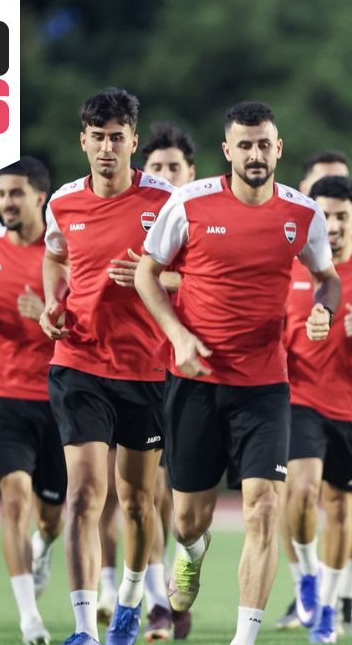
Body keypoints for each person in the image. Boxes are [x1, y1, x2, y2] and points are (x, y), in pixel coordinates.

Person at [136, 100, 340, 645]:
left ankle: (243, 637)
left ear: (279, 149)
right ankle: (190, 552)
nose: (255, 154)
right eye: (244, 145)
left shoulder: (303, 214)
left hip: (265, 386)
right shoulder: (189, 203)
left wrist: (323, 309)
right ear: (227, 150)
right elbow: (147, 274)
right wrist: (177, 335)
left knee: (264, 507)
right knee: (188, 519)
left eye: (264, 144)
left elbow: (328, 277)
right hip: (195, 381)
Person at [41, 87, 176, 645]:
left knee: (139, 503)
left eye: (116, 138)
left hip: (146, 369)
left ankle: (130, 602)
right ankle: (82, 628)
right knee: (83, 494)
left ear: (133, 141)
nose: (106, 148)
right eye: (97, 137)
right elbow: (54, 256)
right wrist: (53, 301)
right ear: (83, 141)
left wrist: (151, 277)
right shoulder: (63, 203)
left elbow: (199, 275)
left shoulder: (167, 202)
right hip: (79, 362)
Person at [0, 157, 64, 644]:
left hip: (59, 399)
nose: (6, 202)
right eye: (2, 194)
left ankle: (43, 545)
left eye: (16, 194)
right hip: (1, 396)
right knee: (15, 497)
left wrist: (45, 312)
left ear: (40, 198)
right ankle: (29, 618)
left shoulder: (63, 254)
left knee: (51, 518)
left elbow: (85, 325)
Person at [284, 175, 352, 642]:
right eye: (324, 215)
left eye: (341, 216)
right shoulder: (290, 266)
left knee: (342, 507)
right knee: (303, 490)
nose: (332, 224)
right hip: (299, 399)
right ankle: (307, 574)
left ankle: (328, 607)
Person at [139, 119, 199, 641]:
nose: (164, 175)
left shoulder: (204, 220)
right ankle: (157, 601)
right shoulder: (138, 220)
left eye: (172, 167)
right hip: (141, 367)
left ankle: (181, 578)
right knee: (145, 491)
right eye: (155, 167)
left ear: (190, 173)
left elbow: (213, 279)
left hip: (196, 371)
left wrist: (160, 276)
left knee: (185, 502)